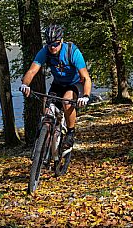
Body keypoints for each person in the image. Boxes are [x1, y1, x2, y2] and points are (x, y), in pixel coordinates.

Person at [20, 24, 92, 152]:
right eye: (50, 44)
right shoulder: (45, 52)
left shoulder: (72, 52)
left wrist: (85, 96)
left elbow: (86, 77)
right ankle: (44, 143)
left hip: (75, 83)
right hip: (58, 84)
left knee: (66, 101)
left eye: (56, 44)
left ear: (61, 41)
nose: (53, 47)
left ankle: (70, 133)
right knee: (47, 110)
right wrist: (25, 85)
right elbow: (31, 71)